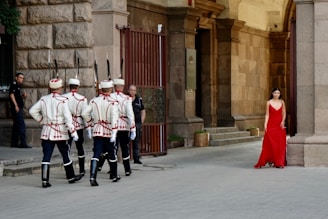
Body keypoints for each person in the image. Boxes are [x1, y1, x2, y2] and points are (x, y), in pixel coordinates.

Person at [29, 78, 82, 188]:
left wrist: (42, 120)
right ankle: (71, 177)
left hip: (47, 131)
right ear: (60, 88)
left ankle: (44, 180)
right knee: (65, 154)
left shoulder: (43, 99)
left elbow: (32, 110)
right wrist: (73, 132)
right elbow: (68, 118)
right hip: (60, 132)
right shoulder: (63, 100)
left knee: (46, 156)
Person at [82, 80, 120, 186]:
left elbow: (84, 113)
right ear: (111, 89)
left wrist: (90, 123)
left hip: (97, 130)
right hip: (108, 131)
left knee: (96, 153)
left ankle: (92, 176)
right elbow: (114, 118)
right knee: (112, 154)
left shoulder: (94, 101)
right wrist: (114, 132)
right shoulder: (113, 102)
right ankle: (114, 175)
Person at [254, 87, 287, 169]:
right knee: (270, 143)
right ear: (272, 93)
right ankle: (270, 160)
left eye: (278, 93)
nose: (276, 94)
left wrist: (283, 121)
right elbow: (267, 114)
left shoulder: (282, 102)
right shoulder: (268, 102)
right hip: (271, 125)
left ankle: (279, 162)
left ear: (280, 94)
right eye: (275, 93)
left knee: (280, 144)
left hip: (279, 126)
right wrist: (265, 125)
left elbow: (284, 113)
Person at [62, 78, 88, 176]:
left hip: (67, 125)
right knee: (80, 147)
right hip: (79, 124)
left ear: (69, 86)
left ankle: (68, 170)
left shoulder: (63, 97)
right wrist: (87, 126)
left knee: (67, 147)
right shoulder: (82, 98)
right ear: (78, 87)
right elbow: (85, 114)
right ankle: (82, 170)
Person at [111, 78, 136, 176]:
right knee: (124, 148)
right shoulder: (126, 98)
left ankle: (113, 171)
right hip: (124, 126)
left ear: (114, 87)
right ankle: (127, 169)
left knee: (114, 148)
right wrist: (133, 128)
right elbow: (130, 114)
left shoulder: (110, 97)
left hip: (113, 126)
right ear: (122, 87)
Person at [9, 72, 31, 148]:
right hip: (17, 108)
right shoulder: (14, 85)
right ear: (16, 77)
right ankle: (23, 143)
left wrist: (22, 96)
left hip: (18, 107)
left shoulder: (18, 86)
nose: (22, 79)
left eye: (23, 78)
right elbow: (11, 95)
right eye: (20, 78)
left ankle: (14, 143)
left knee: (16, 125)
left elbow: (16, 96)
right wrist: (16, 105)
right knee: (21, 125)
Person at [128, 84, 146, 164]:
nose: (133, 91)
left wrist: (142, 120)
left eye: (134, 90)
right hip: (127, 123)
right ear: (128, 91)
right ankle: (127, 157)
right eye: (131, 90)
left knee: (136, 141)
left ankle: (136, 158)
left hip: (137, 123)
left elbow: (143, 110)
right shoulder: (126, 99)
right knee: (126, 141)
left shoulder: (139, 99)